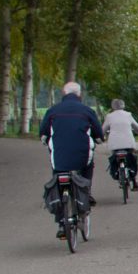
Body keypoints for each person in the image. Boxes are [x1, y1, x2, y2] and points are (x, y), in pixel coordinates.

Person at [39, 82, 104, 231]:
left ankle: (61, 220)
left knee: (58, 174)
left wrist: (47, 140)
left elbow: (43, 134)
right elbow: (99, 135)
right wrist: (99, 139)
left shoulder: (52, 111)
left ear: (63, 93)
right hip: (82, 157)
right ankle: (86, 194)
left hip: (60, 159)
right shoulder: (87, 111)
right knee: (87, 167)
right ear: (79, 94)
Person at [103, 97, 138, 190]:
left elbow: (103, 130)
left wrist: (103, 135)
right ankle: (134, 179)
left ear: (113, 106)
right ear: (123, 105)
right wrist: (137, 131)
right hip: (128, 142)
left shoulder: (109, 116)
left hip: (114, 144)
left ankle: (117, 173)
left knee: (114, 158)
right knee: (131, 158)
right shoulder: (128, 115)